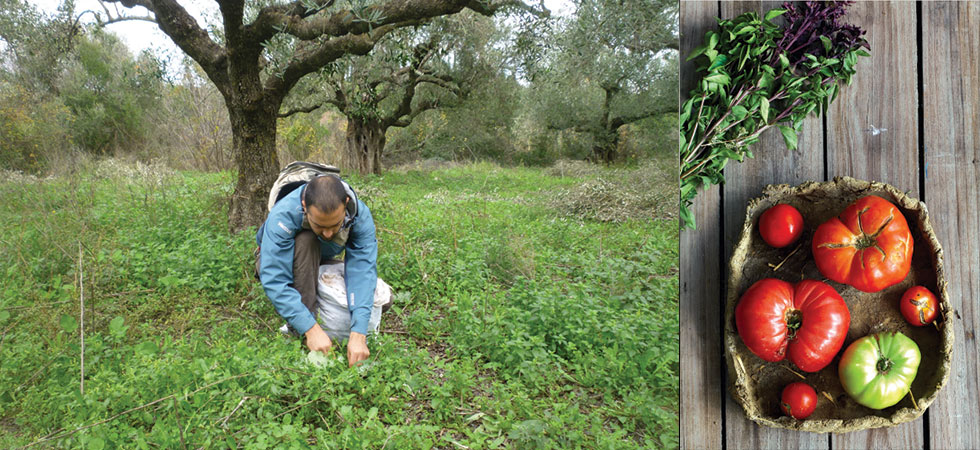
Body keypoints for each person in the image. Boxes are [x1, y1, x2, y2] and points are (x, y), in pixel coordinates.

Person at [255, 174, 377, 367]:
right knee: (307, 240)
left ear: (346, 204)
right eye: (319, 225)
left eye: (335, 225)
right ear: (304, 206)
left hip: (320, 258)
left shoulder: (360, 215)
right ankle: (300, 329)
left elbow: (363, 269)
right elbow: (275, 279)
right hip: (280, 259)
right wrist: (310, 328)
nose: (328, 234)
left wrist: (359, 333)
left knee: (381, 298)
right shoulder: (283, 215)